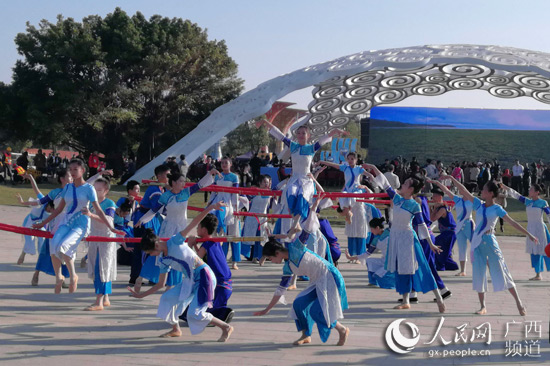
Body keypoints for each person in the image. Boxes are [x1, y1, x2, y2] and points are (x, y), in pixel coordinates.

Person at [127, 201, 234, 342]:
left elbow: (194, 222)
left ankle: (225, 327)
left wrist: (210, 208)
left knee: (195, 314)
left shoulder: (175, 241)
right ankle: (176, 329)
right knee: (166, 298)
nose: (151, 255)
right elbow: (161, 284)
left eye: (150, 252)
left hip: (204, 276)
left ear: (157, 245)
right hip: (190, 280)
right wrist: (141, 296)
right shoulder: (163, 260)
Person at [254, 193, 350, 346]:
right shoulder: (288, 266)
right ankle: (306, 335)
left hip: (330, 276)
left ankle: (342, 329)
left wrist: (314, 206)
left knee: (318, 311)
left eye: (271, 258)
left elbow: (307, 227)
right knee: (299, 304)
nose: (272, 261)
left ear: (277, 253)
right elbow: (280, 290)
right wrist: (266, 309)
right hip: (317, 280)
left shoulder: (296, 247)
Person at [443, 175, 536, 315]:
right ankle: (482, 307)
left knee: (502, 271)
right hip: (477, 243)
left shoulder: (497, 209)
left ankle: (519, 303)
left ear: (491, 193)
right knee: (479, 273)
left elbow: (512, 222)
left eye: (485, 189)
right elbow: (462, 190)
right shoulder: (478, 204)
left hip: (490, 242)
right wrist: (450, 177)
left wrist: (529, 234)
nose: (482, 190)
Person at [32, 159, 125, 294]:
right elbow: (58, 210)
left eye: (75, 169)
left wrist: (111, 227)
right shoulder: (68, 188)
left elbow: (98, 210)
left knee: (64, 246)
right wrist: (42, 224)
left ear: (83, 171)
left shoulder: (89, 188)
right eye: (71, 169)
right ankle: (59, 277)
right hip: (66, 221)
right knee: (54, 245)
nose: (72, 172)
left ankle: (73, 276)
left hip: (81, 223)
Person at [363, 163, 446, 313]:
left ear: (411, 189)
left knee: (421, 268)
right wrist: (373, 168)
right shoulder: (397, 199)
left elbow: (421, 225)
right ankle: (406, 300)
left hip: (407, 238)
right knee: (401, 270)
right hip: (396, 237)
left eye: (406, 183)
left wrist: (430, 244)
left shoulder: (414, 205)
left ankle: (439, 297)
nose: (403, 183)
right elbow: (385, 183)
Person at [135, 170, 218, 289]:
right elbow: (153, 210)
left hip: (182, 228)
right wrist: (142, 220)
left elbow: (200, 184)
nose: (184, 184)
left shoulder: (186, 192)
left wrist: (210, 174)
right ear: (173, 182)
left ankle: (172, 284)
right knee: (160, 254)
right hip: (168, 228)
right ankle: (141, 277)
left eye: (184, 181)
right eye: (181, 181)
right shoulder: (166, 196)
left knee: (179, 256)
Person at [260, 120, 346, 226]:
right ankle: (294, 224)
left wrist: (335, 131)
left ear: (308, 136)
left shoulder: (311, 148)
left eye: (303, 133)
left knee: (302, 196)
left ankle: (297, 225)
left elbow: (323, 139)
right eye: (299, 133)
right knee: (291, 194)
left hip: (306, 180)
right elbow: (279, 135)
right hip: (294, 179)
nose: (300, 135)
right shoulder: (292, 145)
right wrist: (266, 122)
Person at [188, 213, 234, 323]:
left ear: (204, 230)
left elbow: (196, 260)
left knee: (202, 311)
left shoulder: (206, 245)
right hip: (227, 285)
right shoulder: (217, 242)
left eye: (198, 227)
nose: (196, 229)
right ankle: (223, 313)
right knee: (212, 308)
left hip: (219, 287)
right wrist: (195, 245)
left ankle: (225, 313)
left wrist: (190, 245)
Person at [81, 177, 118, 311]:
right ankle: (105, 297)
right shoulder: (92, 203)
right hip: (94, 238)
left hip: (105, 240)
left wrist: (91, 215)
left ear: (106, 191)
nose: (96, 192)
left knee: (102, 269)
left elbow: (109, 220)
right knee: (98, 268)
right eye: (94, 189)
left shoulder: (109, 204)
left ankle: (99, 301)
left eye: (99, 190)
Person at [131, 164, 170, 287]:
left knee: (152, 249)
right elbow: (158, 208)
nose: (169, 177)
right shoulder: (155, 190)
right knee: (145, 249)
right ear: (159, 176)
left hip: (152, 219)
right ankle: (137, 277)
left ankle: (150, 277)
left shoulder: (161, 188)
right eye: (167, 175)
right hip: (145, 219)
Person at [503, 182, 550, 281]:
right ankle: (538, 274)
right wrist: (505, 187)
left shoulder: (543, 203)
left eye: (531, 189)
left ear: (537, 192)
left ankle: (538, 274)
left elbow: (549, 215)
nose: (529, 191)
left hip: (539, 229)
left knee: (540, 251)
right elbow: (516, 195)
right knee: (533, 251)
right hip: (530, 228)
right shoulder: (528, 202)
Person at [429, 179, 474, 277]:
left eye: (462, 189)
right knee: (462, 248)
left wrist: (474, 223)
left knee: (476, 247)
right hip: (459, 227)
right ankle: (462, 270)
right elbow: (446, 191)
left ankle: (487, 267)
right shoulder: (457, 200)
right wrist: (437, 182)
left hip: (468, 225)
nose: (460, 190)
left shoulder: (472, 201)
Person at [208, 157, 242, 269]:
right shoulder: (217, 176)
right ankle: (221, 258)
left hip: (230, 203)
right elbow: (214, 191)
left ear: (230, 164)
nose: (223, 164)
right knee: (220, 231)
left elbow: (235, 193)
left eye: (226, 163)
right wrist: (209, 203)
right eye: (222, 163)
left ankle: (235, 261)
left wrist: (235, 207)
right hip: (218, 202)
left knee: (233, 232)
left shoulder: (234, 177)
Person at [345, 217, 395, 289]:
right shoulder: (376, 239)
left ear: (377, 228)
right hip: (385, 261)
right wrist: (352, 258)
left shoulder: (391, 233)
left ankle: (394, 283)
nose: (371, 231)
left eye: (372, 229)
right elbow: (367, 254)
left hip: (394, 262)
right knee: (369, 261)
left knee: (380, 276)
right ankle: (373, 282)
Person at [241, 175, 272, 264]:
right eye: (264, 182)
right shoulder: (254, 192)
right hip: (252, 218)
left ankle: (258, 256)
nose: (266, 184)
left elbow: (271, 206)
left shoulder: (270, 194)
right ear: (260, 183)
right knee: (251, 238)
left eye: (267, 182)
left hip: (262, 218)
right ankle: (247, 255)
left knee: (261, 238)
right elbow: (245, 198)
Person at [430, 187, 459, 271]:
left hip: (450, 233)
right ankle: (448, 265)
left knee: (437, 244)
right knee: (445, 251)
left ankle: (443, 265)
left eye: (435, 196)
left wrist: (435, 209)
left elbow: (433, 219)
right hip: (446, 233)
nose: (433, 198)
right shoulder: (438, 207)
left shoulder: (443, 208)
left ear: (440, 197)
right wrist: (433, 208)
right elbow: (431, 218)